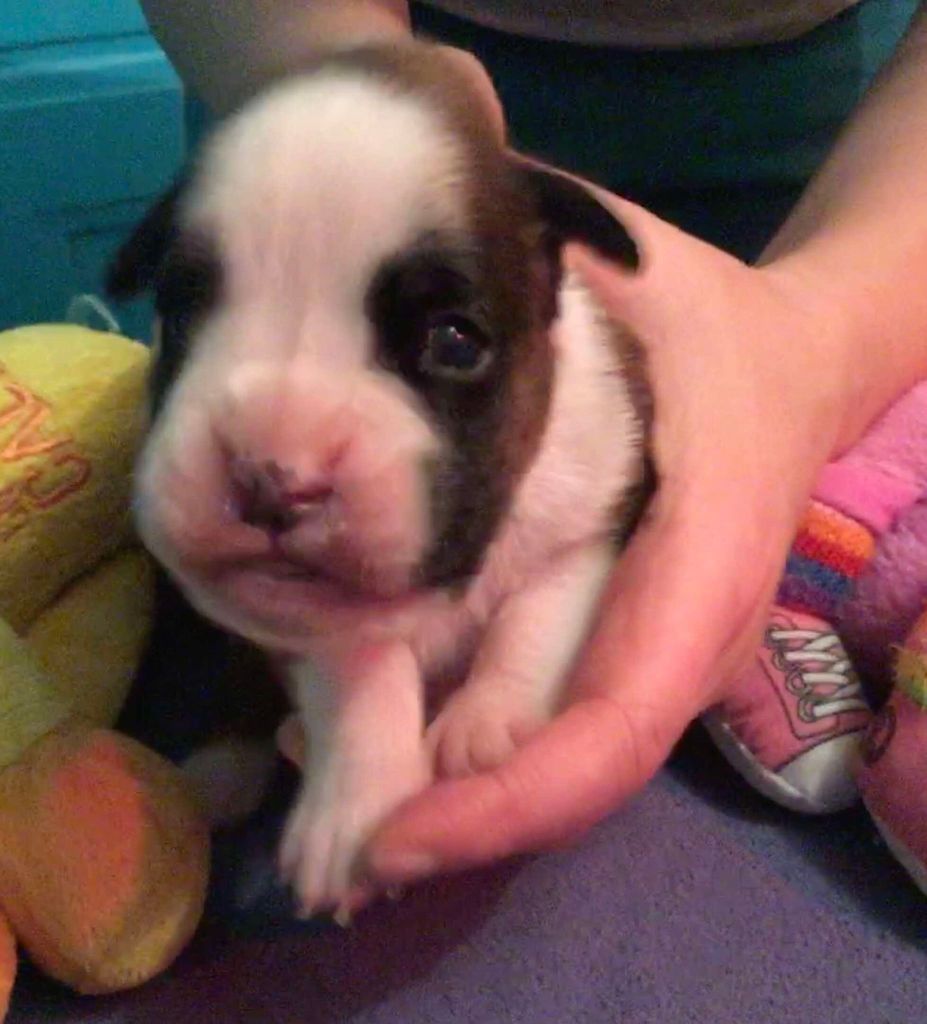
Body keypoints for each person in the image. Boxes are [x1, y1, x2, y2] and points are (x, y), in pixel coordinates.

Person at [139, 0, 927, 891]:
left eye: (446, 345)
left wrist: (820, 332)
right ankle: (235, 726)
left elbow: (574, 547)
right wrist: (336, 89)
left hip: (850, 169)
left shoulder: (583, 427)